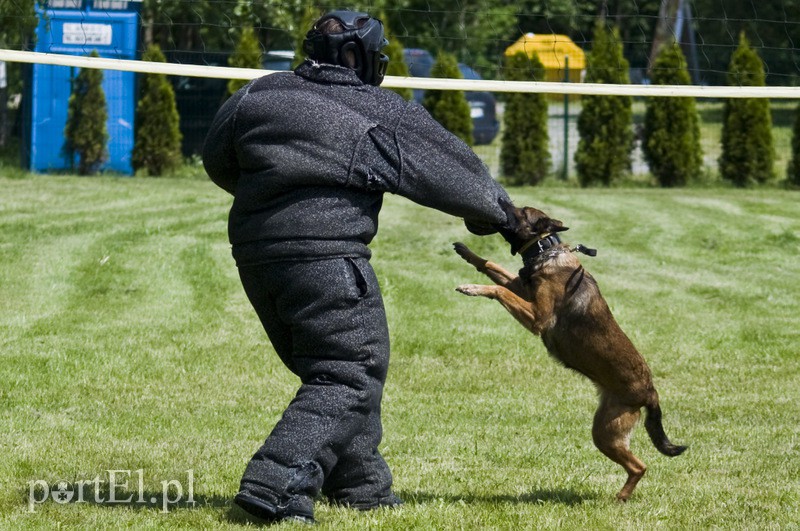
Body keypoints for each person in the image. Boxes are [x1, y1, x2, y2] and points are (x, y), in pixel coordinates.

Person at [203, 10, 515, 524]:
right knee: (350, 372)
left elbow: (219, 160)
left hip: (257, 258)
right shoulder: (377, 108)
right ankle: (274, 487)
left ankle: (362, 487)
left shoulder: (258, 95)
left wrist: (271, 198)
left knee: (333, 372)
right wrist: (503, 217)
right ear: (359, 57)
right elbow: (453, 173)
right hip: (327, 258)